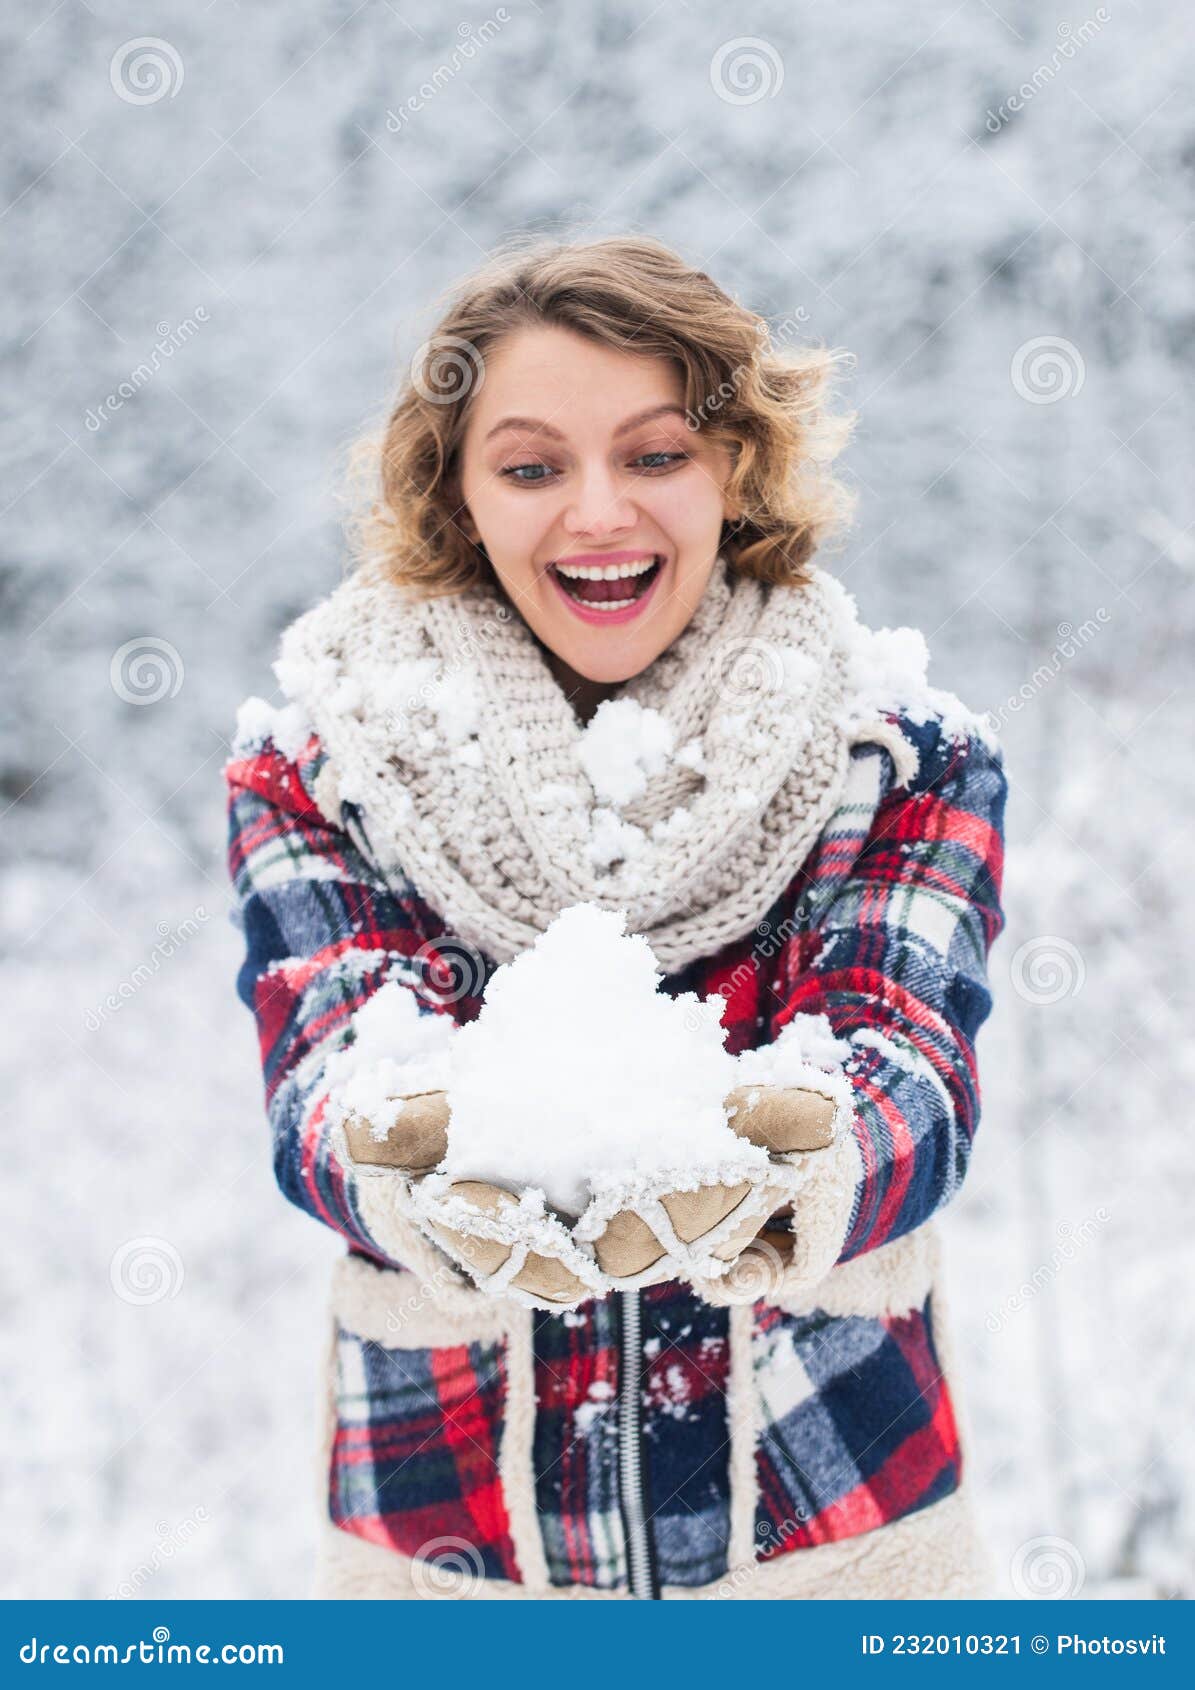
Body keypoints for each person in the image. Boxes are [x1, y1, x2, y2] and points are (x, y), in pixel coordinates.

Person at [225, 234, 1007, 1600]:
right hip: (449, 1569)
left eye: (656, 454)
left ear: (736, 469)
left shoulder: (894, 753)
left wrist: (795, 1160)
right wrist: (408, 1151)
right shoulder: (325, 764)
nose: (598, 512)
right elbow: (332, 1072)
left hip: (838, 1559)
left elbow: (907, 1065)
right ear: (460, 495)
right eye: (531, 467)